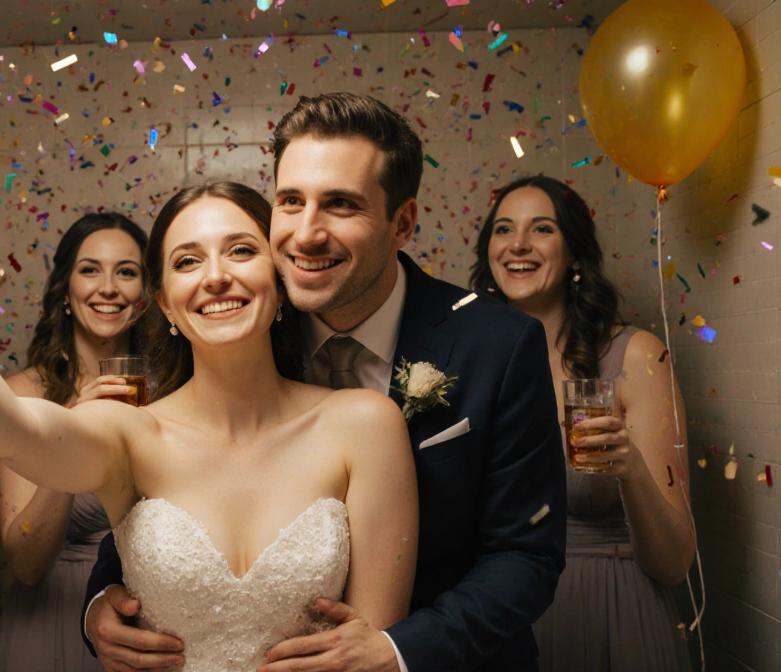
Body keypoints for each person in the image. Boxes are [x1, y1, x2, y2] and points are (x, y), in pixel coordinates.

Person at [0, 104, 419, 670]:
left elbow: (372, 647)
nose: (215, 277)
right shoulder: (128, 434)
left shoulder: (364, 424)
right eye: (187, 262)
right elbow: (3, 422)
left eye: (241, 250)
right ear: (164, 303)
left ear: (280, 275)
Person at [84, 92, 568, 672]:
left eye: (340, 205)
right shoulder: (243, 319)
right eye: (291, 201)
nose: (307, 234)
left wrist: (397, 650)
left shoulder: (499, 344)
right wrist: (99, 605)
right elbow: (169, 500)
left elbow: (526, 556)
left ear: (402, 223)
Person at [471, 175, 695, 671]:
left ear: (575, 254)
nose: (519, 244)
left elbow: (675, 564)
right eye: (504, 229)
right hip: (495, 620)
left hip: (608, 616)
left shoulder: (634, 357)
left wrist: (629, 467)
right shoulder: (468, 364)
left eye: (542, 229)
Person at [0, 212, 148, 672]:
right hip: (49, 623)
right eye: (90, 269)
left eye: (127, 271)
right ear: (64, 289)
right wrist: (72, 430)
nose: (109, 287)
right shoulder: (21, 396)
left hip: (146, 625)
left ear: (146, 294)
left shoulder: (177, 390)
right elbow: (25, 564)